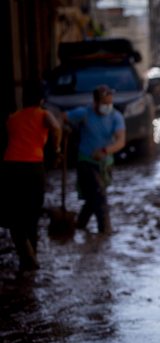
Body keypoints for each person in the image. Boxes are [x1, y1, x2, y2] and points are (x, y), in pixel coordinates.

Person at [1, 79, 63, 270]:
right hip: (33, 168)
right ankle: (31, 257)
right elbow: (56, 127)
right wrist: (57, 147)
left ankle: (26, 257)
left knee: (15, 214)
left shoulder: (13, 118)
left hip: (10, 168)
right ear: (41, 101)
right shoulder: (42, 114)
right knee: (32, 214)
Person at [60, 85, 126, 234]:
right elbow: (61, 117)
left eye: (109, 103)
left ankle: (80, 225)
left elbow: (120, 140)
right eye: (104, 104)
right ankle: (105, 231)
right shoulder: (84, 113)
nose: (107, 107)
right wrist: (61, 129)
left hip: (105, 162)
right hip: (86, 162)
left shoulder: (116, 116)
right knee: (100, 195)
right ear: (95, 102)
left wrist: (105, 151)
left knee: (93, 197)